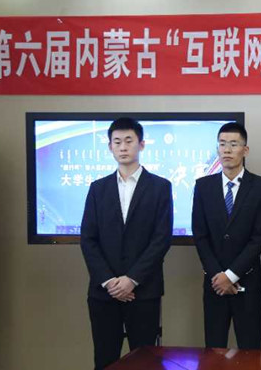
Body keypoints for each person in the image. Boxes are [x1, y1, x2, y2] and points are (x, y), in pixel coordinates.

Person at [80, 117, 173, 370]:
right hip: (104, 292)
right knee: (105, 359)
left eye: (129, 141)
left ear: (141, 145)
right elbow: (88, 239)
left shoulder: (160, 187)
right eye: (117, 142)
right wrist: (110, 281)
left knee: (145, 362)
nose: (123, 147)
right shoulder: (97, 188)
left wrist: (132, 279)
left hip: (143, 291)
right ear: (110, 146)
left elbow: (161, 239)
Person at [192, 122, 261, 349]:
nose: (227, 150)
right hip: (214, 283)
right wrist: (218, 275)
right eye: (222, 144)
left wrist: (232, 275)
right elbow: (200, 235)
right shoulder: (203, 186)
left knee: (250, 350)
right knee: (214, 349)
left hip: (247, 282)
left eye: (234, 144)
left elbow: (260, 236)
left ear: (245, 150)